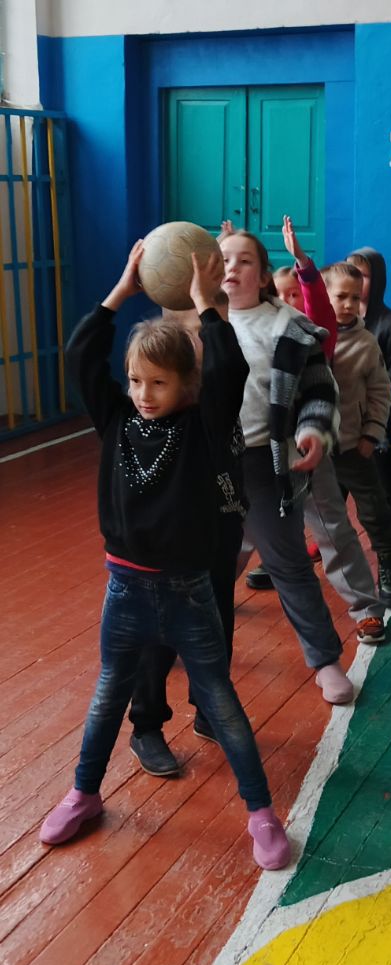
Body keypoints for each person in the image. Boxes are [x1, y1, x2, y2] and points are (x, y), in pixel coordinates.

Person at [40, 244, 290, 870]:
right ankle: (83, 793)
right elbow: (80, 355)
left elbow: (229, 367)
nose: (144, 394)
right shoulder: (117, 421)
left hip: (187, 595)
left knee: (221, 702)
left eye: (159, 383)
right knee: (108, 697)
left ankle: (261, 814)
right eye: (135, 381)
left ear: (188, 386)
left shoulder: (204, 428)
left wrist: (206, 304)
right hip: (123, 591)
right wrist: (121, 290)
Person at [219, 227, 360, 699]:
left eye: (244, 261)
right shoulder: (192, 324)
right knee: (198, 561)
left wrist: (312, 430)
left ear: (263, 277)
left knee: (288, 564)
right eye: (223, 259)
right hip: (206, 464)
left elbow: (319, 390)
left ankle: (325, 661)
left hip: (260, 462)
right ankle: (180, 644)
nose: (231, 268)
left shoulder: (288, 328)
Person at [124, 305, 247, 777]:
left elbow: (228, 366)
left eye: (200, 331)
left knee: (216, 625)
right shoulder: (158, 419)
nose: (196, 340)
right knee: (157, 638)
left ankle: (208, 710)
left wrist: (206, 308)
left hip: (217, 533)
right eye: (185, 331)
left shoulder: (213, 403)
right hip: (166, 551)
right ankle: (146, 726)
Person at [320, 260, 391, 605]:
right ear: (323, 295)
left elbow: (381, 392)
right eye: (341, 296)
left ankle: (390, 563)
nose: (348, 304)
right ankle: (280, 560)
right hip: (313, 447)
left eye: (355, 298)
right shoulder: (307, 336)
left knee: (374, 510)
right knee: (298, 508)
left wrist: (371, 434)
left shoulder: (367, 343)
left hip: (352, 446)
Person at [349, 247, 391, 576]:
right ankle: (325, 537)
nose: (356, 281)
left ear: (377, 280)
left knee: (388, 485)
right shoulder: (340, 319)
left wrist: (365, 390)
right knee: (334, 485)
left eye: (363, 275)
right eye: (352, 273)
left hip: (377, 420)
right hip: (343, 419)